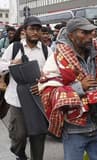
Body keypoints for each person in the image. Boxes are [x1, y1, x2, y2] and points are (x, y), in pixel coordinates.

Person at [38, 17, 97, 160]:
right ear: (71, 35)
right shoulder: (57, 58)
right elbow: (48, 92)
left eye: (92, 32)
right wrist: (79, 87)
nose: (90, 36)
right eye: (84, 33)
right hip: (74, 130)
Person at [0, 16, 53, 160]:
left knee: (38, 134)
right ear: (25, 31)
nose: (35, 32)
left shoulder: (46, 51)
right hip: (17, 99)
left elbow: (54, 73)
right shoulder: (14, 47)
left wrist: (44, 81)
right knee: (19, 135)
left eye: (38, 30)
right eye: (32, 29)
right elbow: (1, 66)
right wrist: (12, 63)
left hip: (38, 100)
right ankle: (19, 153)